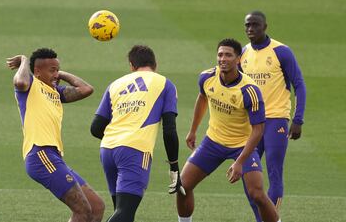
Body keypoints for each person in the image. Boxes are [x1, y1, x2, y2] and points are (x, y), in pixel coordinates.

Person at [176, 38, 280, 222]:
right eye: (220, 54)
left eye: (228, 55)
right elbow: (203, 98)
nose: (223, 59)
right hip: (213, 142)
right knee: (183, 186)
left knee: (257, 195)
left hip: (242, 146)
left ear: (238, 59)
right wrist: (193, 130)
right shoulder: (207, 77)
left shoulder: (250, 91)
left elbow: (258, 130)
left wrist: (240, 162)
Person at [7, 48, 105, 222]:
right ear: (37, 71)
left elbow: (86, 89)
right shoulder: (30, 85)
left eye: (57, 69)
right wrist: (24, 59)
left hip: (54, 157)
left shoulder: (56, 93)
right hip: (40, 154)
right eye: (52, 70)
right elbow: (19, 82)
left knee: (96, 206)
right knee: (82, 210)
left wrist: (59, 73)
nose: (56, 74)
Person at [90, 45, 185, 222]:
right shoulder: (165, 84)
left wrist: (118, 138)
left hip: (108, 150)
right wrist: (174, 166)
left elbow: (95, 128)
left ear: (132, 65)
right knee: (125, 212)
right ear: (155, 64)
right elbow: (169, 130)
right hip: (135, 150)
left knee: (122, 210)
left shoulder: (115, 85)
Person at [240, 11, 306, 222]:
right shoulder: (243, 54)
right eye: (248, 25)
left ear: (265, 26)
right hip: (252, 124)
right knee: (245, 172)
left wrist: (297, 119)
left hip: (276, 120)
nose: (251, 29)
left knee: (274, 173)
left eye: (255, 25)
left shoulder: (281, 51)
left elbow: (299, 84)